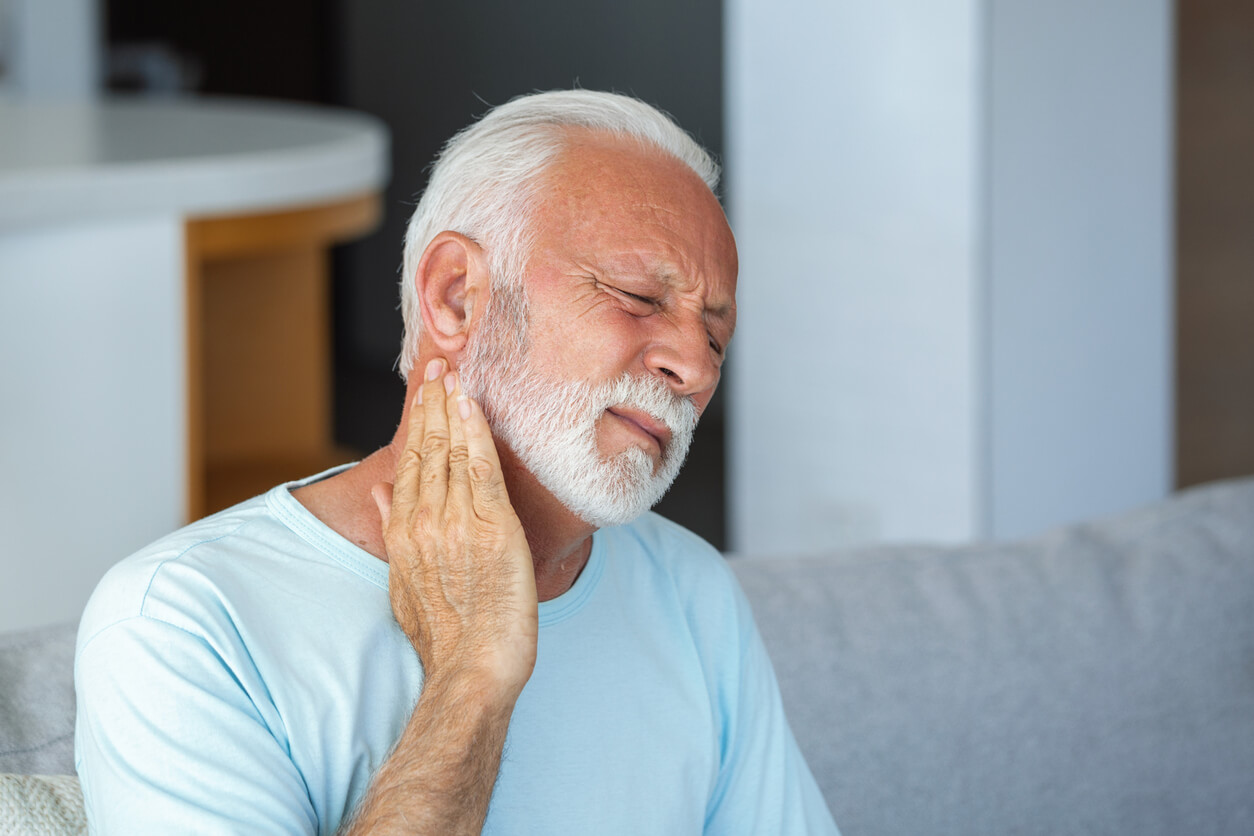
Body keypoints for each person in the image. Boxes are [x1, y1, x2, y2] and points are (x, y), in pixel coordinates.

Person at [74, 90, 839, 834]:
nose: (696, 369)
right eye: (638, 295)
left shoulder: (693, 595)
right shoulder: (184, 622)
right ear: (456, 299)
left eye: (715, 336)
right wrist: (471, 678)